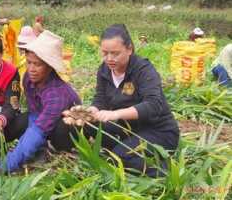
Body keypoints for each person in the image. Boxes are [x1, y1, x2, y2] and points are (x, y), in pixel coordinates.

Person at [63, 24, 179, 177]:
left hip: (158, 131)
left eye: (115, 53)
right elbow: (100, 98)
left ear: (129, 49)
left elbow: (153, 105)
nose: (109, 59)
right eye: (105, 53)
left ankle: (168, 170)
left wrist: (116, 114)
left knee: (119, 158)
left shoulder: (143, 70)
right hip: (129, 130)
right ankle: (126, 151)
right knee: (88, 124)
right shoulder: (104, 70)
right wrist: (93, 110)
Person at [4, 31, 81, 172]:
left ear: (49, 66)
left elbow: (39, 129)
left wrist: (8, 165)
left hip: (65, 130)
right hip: (43, 118)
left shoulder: (56, 94)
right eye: (29, 62)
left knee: (59, 129)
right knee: (20, 122)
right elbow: (35, 115)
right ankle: (39, 149)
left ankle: (51, 149)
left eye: (38, 64)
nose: (31, 69)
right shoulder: (28, 78)